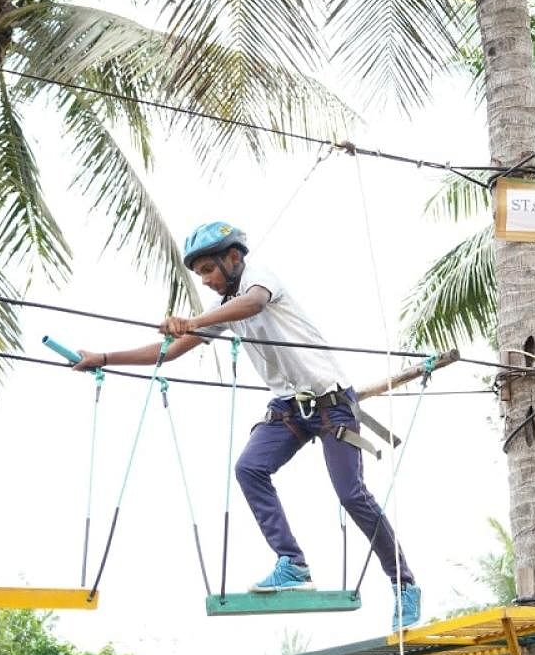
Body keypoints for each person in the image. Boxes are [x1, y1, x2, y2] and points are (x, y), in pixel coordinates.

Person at [73, 221, 421, 628]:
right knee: (249, 468)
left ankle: (404, 584)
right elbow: (167, 354)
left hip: (332, 404)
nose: (204, 280)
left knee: (351, 494)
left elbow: (253, 304)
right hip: (290, 408)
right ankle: (292, 564)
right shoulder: (224, 310)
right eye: (200, 272)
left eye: (208, 270)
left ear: (233, 258)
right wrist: (103, 358)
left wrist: (194, 320)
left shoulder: (258, 280)